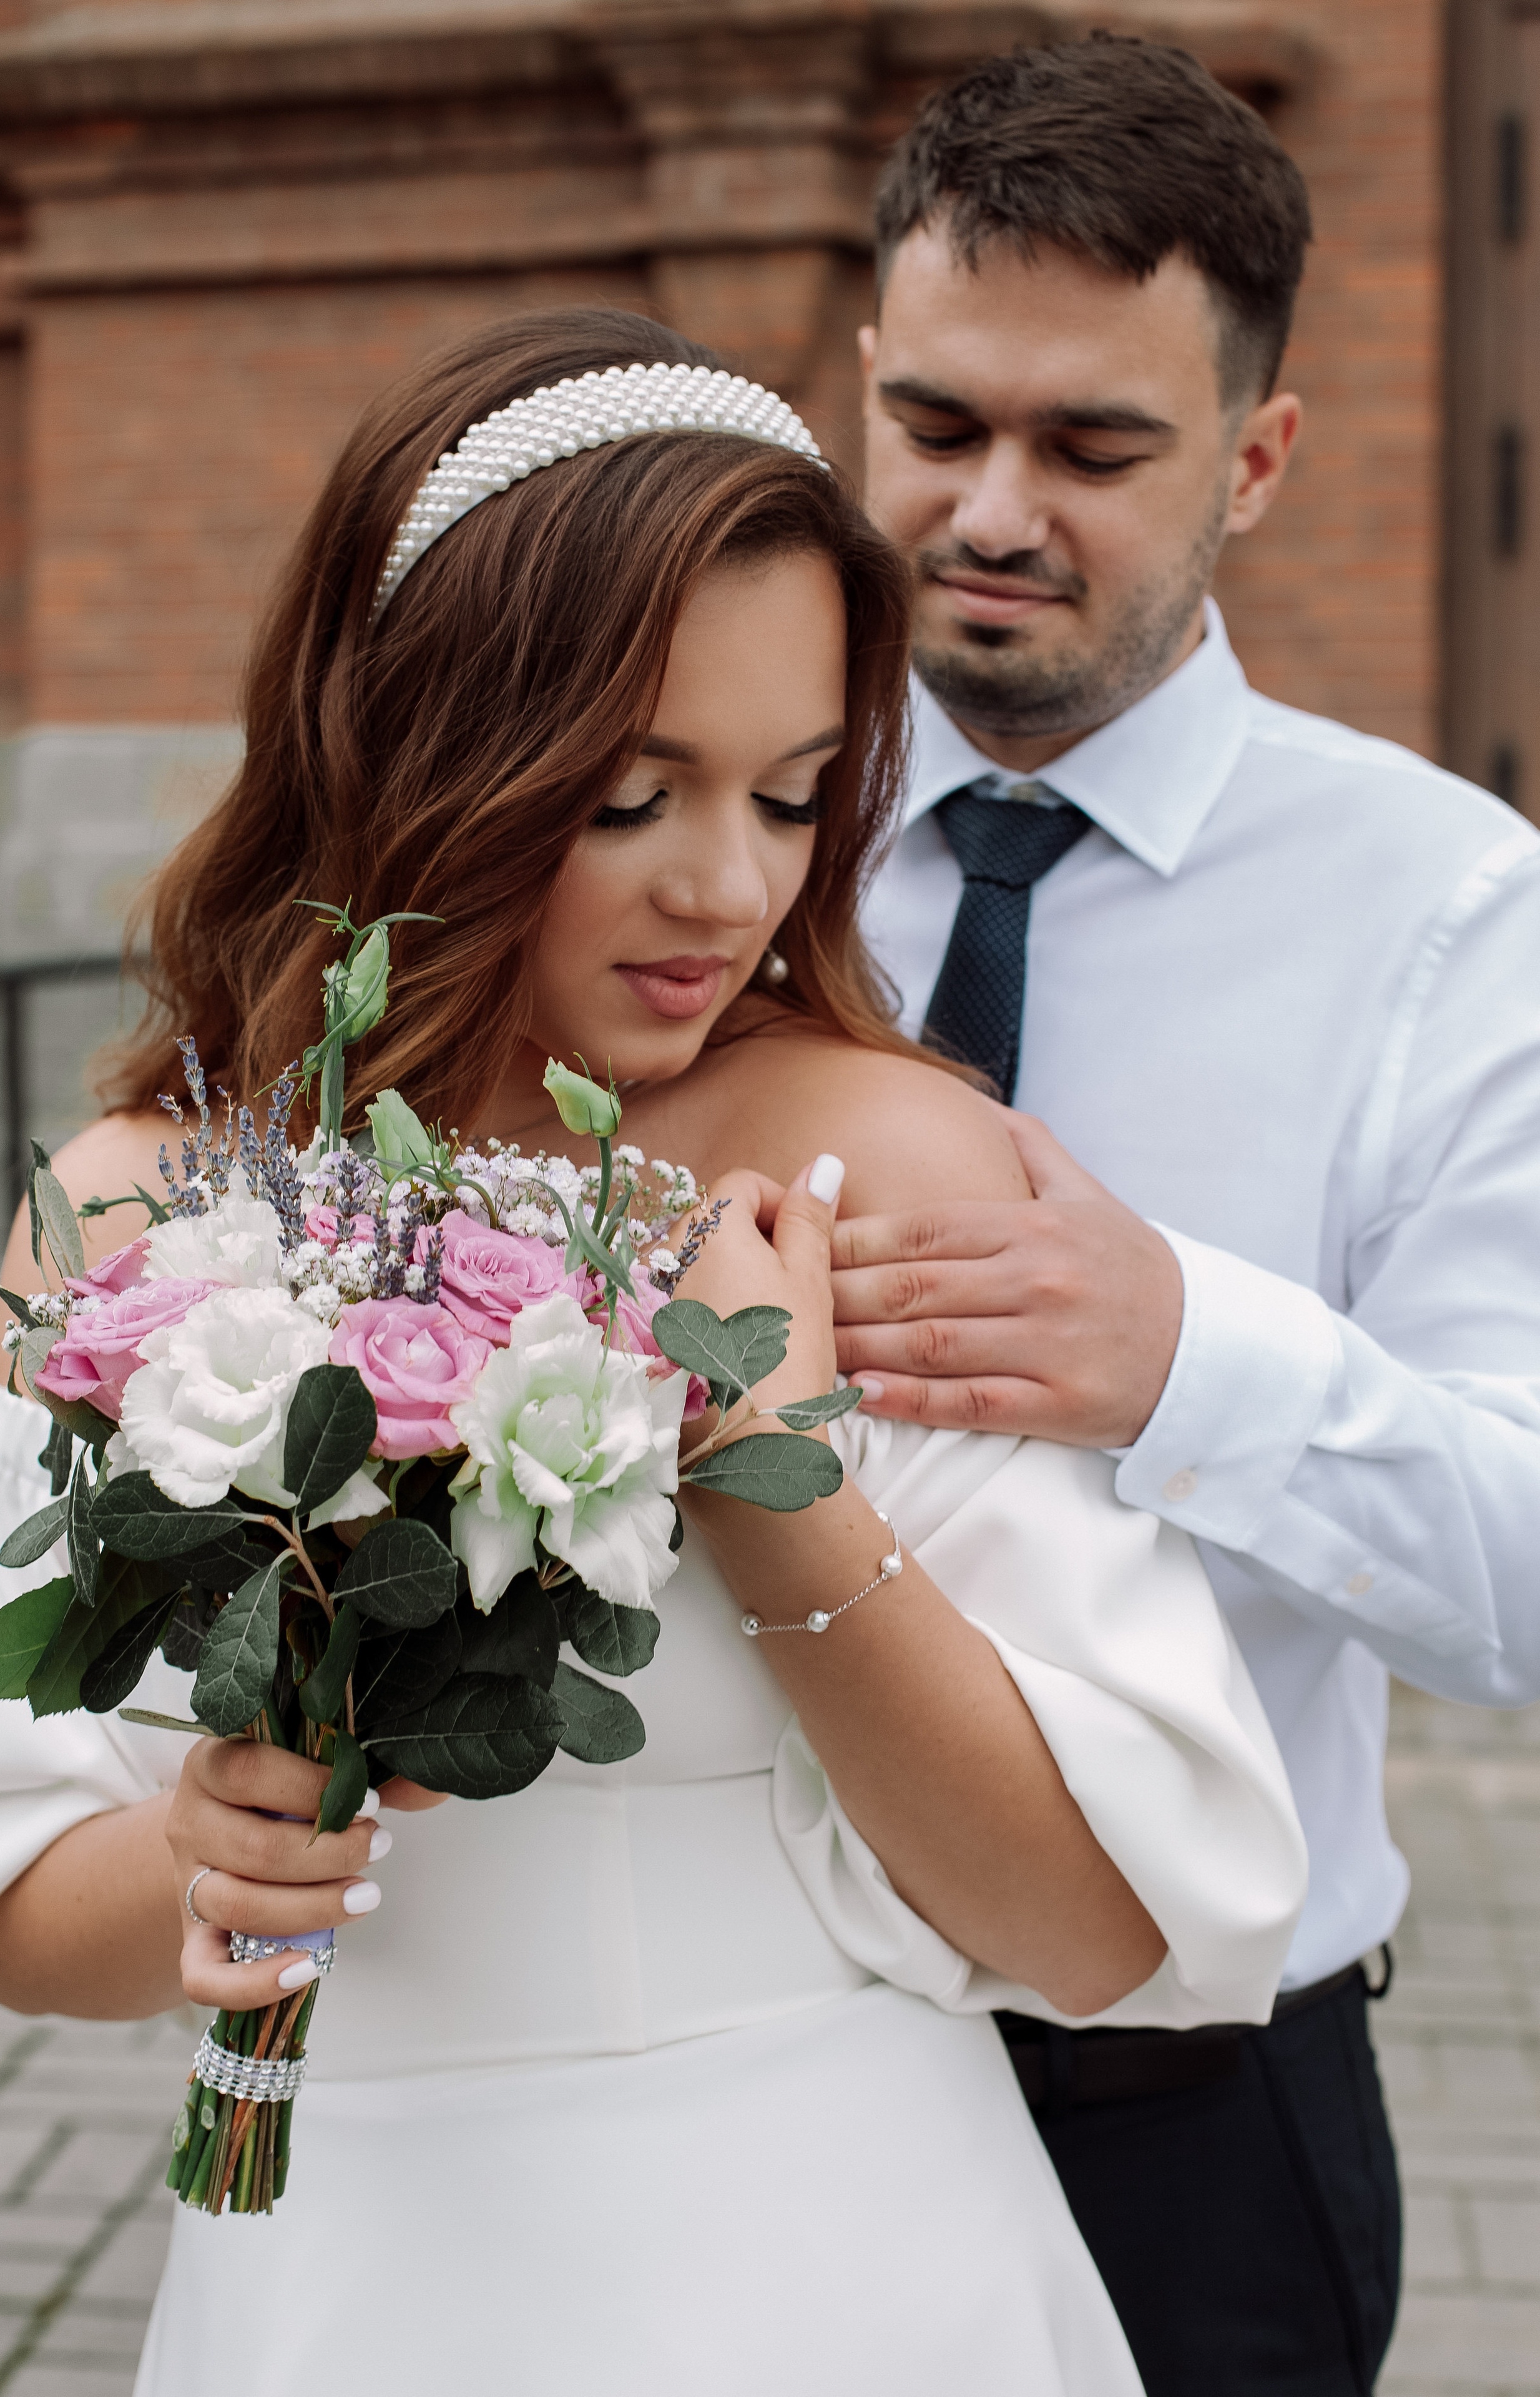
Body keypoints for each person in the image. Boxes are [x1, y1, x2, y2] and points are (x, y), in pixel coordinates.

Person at [0, 308, 1306, 2396]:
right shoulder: (142, 1206)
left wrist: (769, 1465)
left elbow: (1111, 1938)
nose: (729, 886)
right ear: (420, 750)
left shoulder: (894, 1165)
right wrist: (212, 1853)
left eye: (786, 795)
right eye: (631, 796)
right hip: (341, 2270)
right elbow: (18, 1915)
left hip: (838, 2260)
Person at [836, 34, 1540, 2395]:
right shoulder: (683, 847)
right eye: (937, 428)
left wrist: (1191, 1367)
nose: (993, 510)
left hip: (1190, 2106)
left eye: (1096, 449)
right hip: (746, 2077)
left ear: (1256, 459)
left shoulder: (1458, 917)